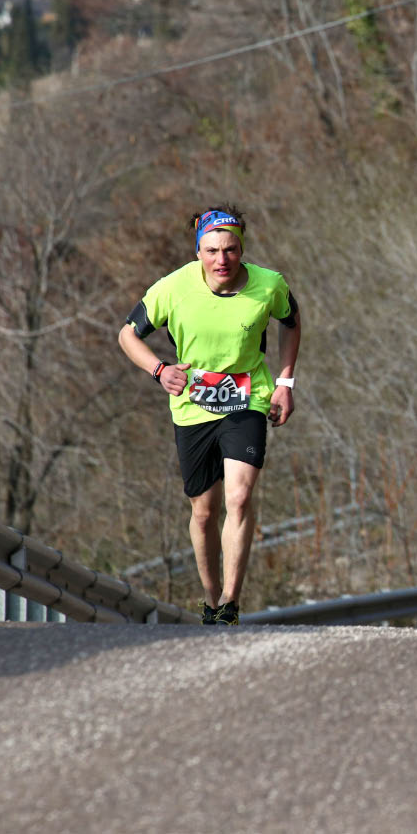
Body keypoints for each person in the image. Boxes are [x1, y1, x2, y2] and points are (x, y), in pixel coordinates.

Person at [118, 205, 301, 626]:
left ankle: (231, 604)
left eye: (230, 250)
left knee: (239, 496)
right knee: (204, 512)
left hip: (247, 397)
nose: (222, 260)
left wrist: (285, 382)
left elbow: (291, 321)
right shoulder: (173, 288)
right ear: (198, 251)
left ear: (242, 249)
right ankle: (211, 598)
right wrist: (159, 370)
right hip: (193, 404)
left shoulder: (269, 285)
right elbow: (127, 335)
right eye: (212, 251)